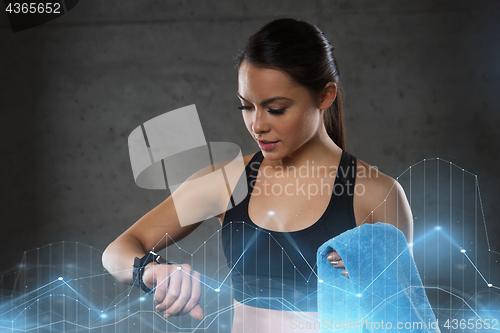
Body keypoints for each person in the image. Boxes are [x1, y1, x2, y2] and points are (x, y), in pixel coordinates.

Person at [102, 18, 413, 332]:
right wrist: (151, 270)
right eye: (246, 107)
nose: (257, 125)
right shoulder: (226, 182)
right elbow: (118, 250)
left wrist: (376, 281)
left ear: (325, 96)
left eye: (275, 108)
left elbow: (403, 316)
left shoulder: (377, 195)